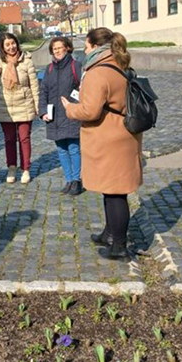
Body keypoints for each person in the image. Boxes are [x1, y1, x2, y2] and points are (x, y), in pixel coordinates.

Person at [63, 27, 142, 261]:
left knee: (115, 193)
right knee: (112, 190)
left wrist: (69, 108)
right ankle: (110, 233)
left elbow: (90, 110)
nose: (84, 51)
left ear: (96, 47)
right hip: (121, 135)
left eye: (86, 47)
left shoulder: (98, 72)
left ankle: (119, 245)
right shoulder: (119, 63)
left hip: (110, 138)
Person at [0, 33, 39, 184]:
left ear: (17, 44)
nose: (11, 47)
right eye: (7, 45)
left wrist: (38, 107)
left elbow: (35, 86)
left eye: (13, 43)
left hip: (24, 104)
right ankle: (11, 167)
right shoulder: (0, 63)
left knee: (24, 138)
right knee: (9, 139)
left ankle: (26, 168)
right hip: (5, 106)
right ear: (3, 48)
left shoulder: (27, 61)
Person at [39, 36, 84, 195]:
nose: (57, 51)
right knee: (61, 149)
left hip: (71, 113)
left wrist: (73, 102)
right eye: (54, 48)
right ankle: (69, 180)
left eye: (60, 47)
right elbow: (43, 90)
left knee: (73, 148)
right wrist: (43, 111)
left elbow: (83, 87)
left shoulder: (76, 66)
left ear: (67, 48)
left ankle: (77, 181)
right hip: (54, 115)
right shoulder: (49, 69)